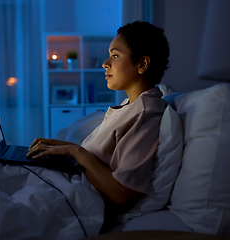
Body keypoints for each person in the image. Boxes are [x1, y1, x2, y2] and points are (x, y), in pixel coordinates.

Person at [26, 21, 170, 213]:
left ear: (142, 64)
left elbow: (122, 195)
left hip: (78, 200)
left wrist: (76, 152)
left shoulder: (145, 115)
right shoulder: (131, 106)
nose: (105, 63)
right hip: (69, 184)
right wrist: (58, 146)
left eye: (115, 56)